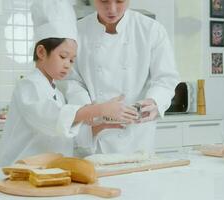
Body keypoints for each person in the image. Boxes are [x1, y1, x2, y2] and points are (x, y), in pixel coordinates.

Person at [0, 0, 138, 167]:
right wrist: (99, 109)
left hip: (47, 174)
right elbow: (51, 117)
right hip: (19, 173)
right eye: (63, 57)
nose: (68, 65)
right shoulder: (28, 86)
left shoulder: (56, 92)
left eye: (72, 60)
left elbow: (63, 136)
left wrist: (99, 128)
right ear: (41, 52)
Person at [60, 0, 180, 155]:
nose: (112, 9)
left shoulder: (151, 30)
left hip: (137, 137)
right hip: (94, 135)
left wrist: (154, 101)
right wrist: (88, 109)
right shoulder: (77, 31)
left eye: (119, 1)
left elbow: (166, 78)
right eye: (104, 1)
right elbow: (71, 80)